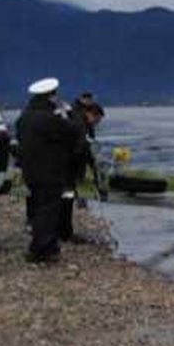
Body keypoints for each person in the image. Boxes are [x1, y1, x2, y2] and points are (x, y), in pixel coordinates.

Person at [15, 77, 82, 263]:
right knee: (49, 208)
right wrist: (69, 112)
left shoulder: (24, 117)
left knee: (38, 206)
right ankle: (41, 249)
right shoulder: (49, 119)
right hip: (50, 169)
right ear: (51, 96)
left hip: (30, 169)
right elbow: (74, 131)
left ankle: (47, 244)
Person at [59, 103, 106, 242]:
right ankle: (65, 233)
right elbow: (81, 150)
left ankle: (64, 231)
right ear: (91, 114)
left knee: (67, 199)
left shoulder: (83, 125)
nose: (97, 123)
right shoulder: (80, 126)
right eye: (97, 120)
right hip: (68, 169)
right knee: (66, 200)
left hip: (69, 168)